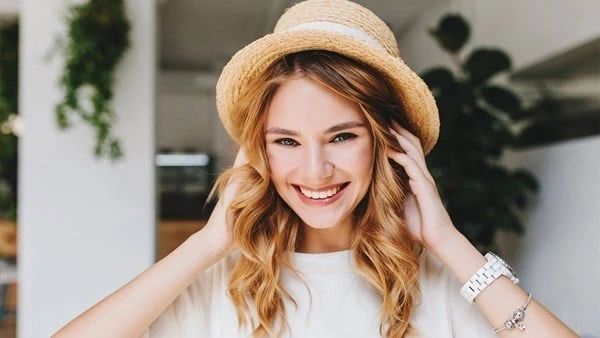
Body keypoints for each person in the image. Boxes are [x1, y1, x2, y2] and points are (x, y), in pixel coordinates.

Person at [53, 1, 581, 337]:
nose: (315, 170)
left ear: (388, 144)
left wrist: (448, 242)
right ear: (258, 152)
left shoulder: (441, 282)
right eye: (286, 140)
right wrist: (210, 241)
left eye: (343, 137)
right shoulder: (220, 283)